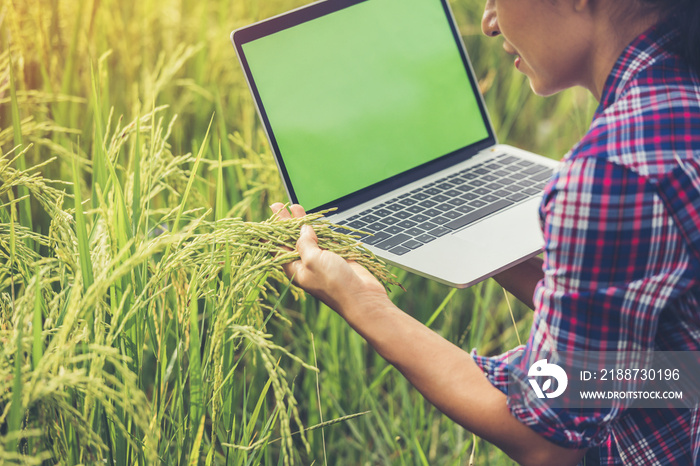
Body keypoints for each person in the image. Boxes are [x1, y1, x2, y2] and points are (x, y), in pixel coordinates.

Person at [270, 0, 700, 464]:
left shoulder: (611, 172)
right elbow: (666, 342)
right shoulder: (676, 101)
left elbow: (545, 439)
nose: (489, 23)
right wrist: (474, 238)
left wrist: (363, 302)